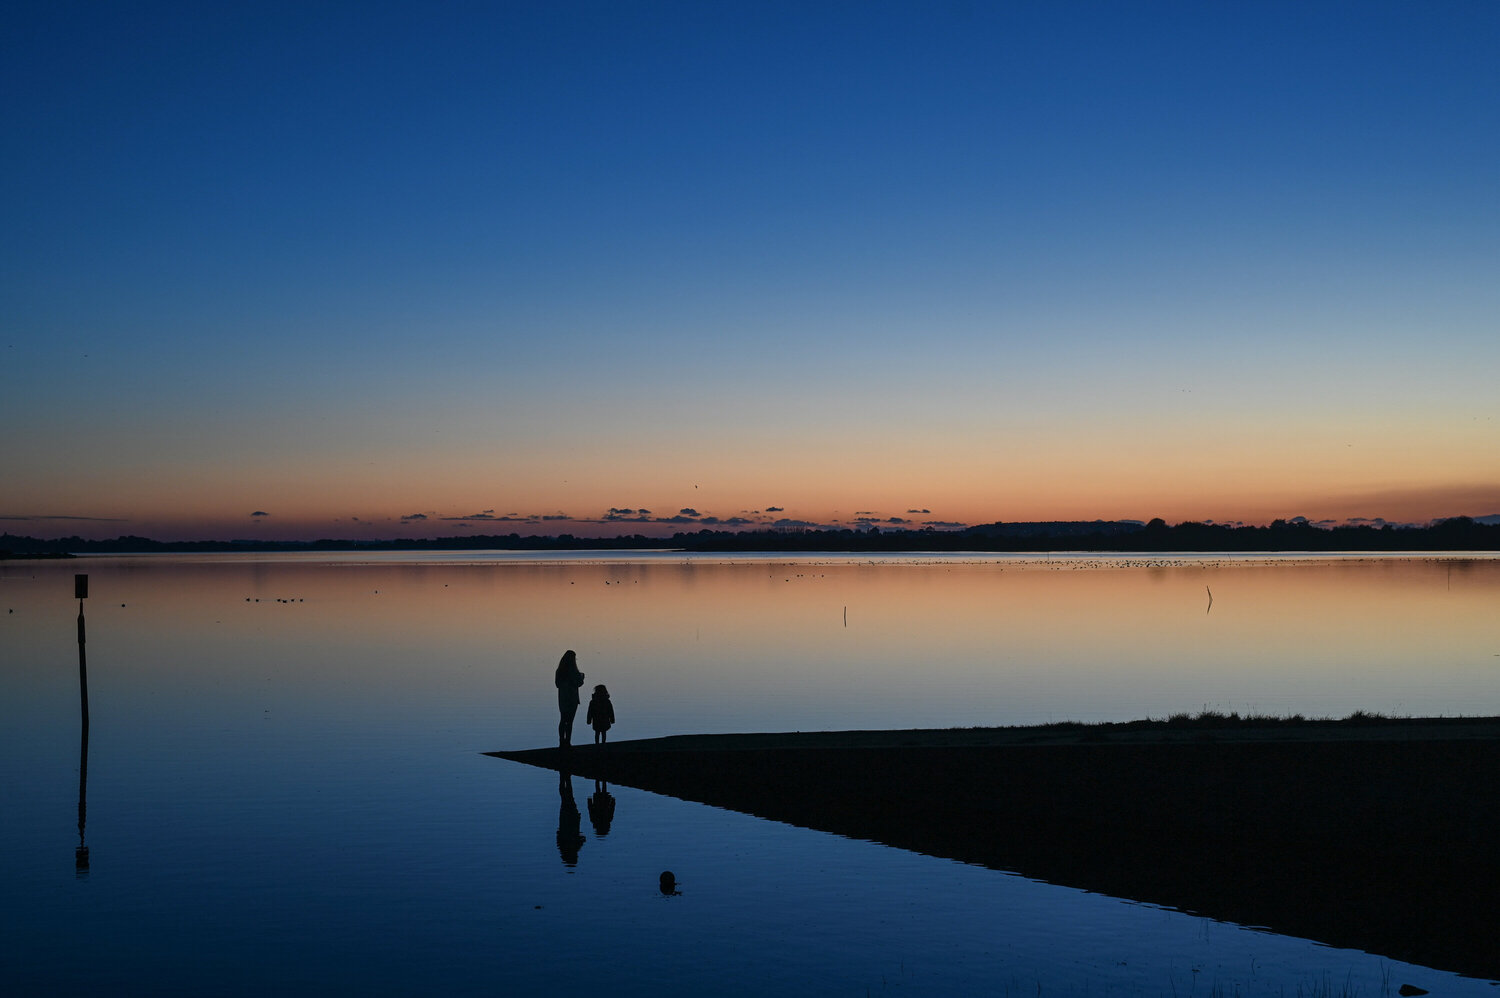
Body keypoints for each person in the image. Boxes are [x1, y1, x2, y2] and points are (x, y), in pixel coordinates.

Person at [555, 650, 584, 746]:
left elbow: (557, 684)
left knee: (563, 719)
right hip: (572, 698)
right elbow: (579, 683)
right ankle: (567, 741)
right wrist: (582, 677)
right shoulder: (574, 672)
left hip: (563, 698)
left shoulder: (559, 671)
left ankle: (561, 740)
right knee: (570, 721)